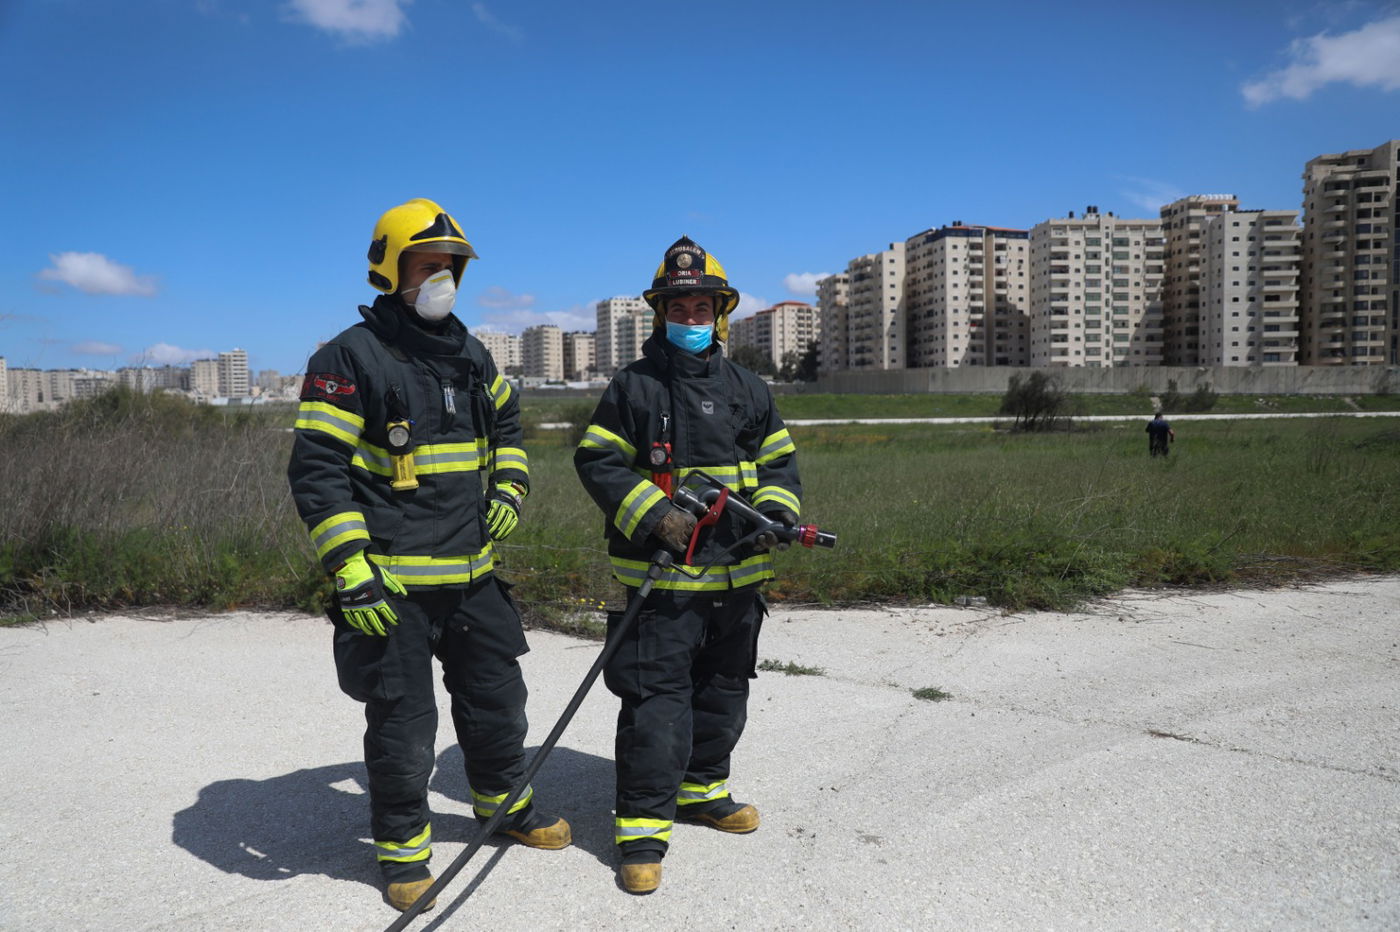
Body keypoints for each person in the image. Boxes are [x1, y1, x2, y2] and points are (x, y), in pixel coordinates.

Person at [286, 198, 569, 913]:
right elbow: (317, 469)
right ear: (390, 270)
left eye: (450, 267)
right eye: (425, 266)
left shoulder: (469, 353)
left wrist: (509, 481)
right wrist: (351, 564)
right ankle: (403, 852)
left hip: (473, 579)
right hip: (392, 589)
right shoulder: (349, 357)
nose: (440, 278)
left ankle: (503, 811)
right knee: (405, 729)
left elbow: (507, 421)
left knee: (498, 706)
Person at [574, 236, 802, 895]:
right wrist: (654, 517)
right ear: (661, 315)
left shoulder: (748, 388)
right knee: (655, 702)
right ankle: (641, 833)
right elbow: (599, 462)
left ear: (721, 314)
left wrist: (777, 512)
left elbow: (780, 462)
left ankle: (704, 791)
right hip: (663, 583)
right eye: (680, 307)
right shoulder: (634, 387)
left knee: (724, 689)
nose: (692, 318)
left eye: (703, 307)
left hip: (738, 580)